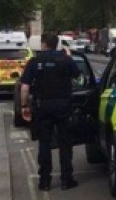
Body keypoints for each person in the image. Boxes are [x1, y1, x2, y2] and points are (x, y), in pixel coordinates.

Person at [19, 33, 82, 191]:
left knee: (44, 143)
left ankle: (44, 181)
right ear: (56, 45)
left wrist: (24, 106)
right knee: (65, 143)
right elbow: (79, 78)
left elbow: (25, 87)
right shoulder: (65, 60)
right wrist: (69, 57)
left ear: (44, 44)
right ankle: (66, 179)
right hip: (63, 105)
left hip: (42, 106)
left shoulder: (35, 61)